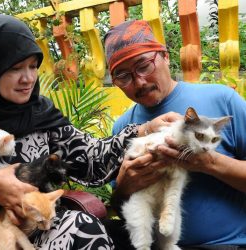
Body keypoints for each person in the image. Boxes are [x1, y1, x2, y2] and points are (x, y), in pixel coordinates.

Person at [0, 15, 178, 250]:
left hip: (31, 226)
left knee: (83, 231)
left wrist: (144, 130)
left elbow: (90, 160)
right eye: (15, 68)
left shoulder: (39, 113)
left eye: (33, 66)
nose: (28, 78)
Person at [103, 19, 246, 249]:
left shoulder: (222, 101)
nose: (139, 81)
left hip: (225, 244)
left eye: (144, 65)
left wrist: (209, 163)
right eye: (123, 76)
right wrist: (125, 185)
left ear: (165, 57)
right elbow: (123, 209)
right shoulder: (123, 128)